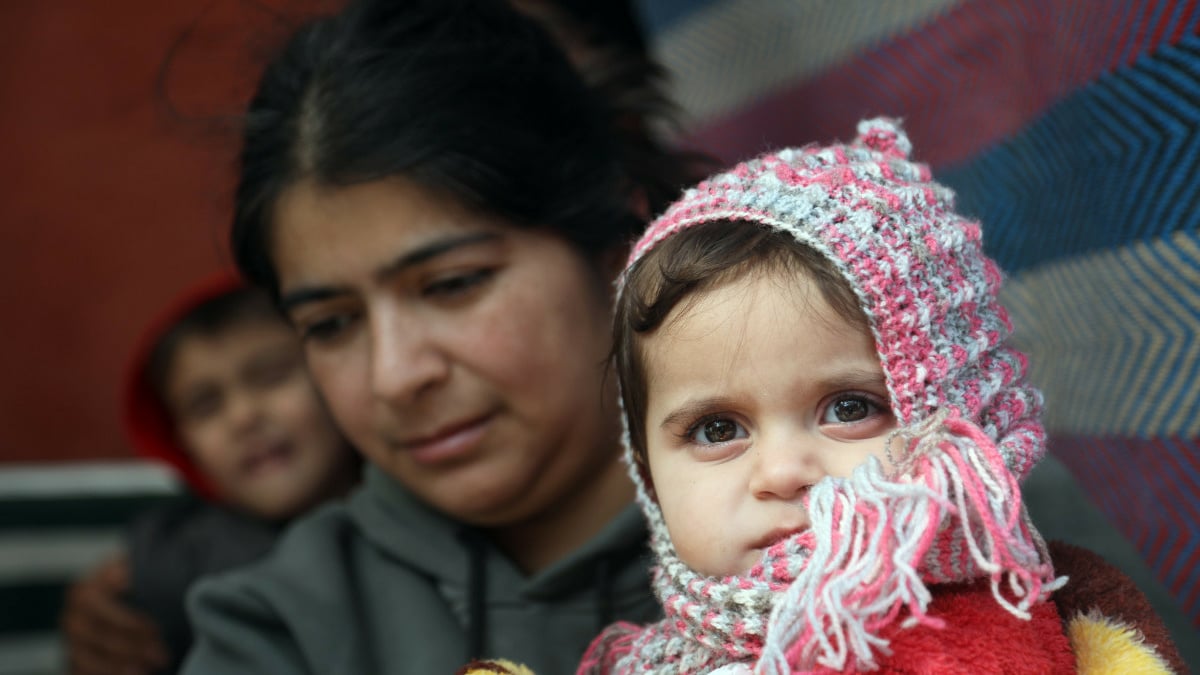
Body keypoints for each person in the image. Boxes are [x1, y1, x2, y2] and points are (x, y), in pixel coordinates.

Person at [178, 0, 699, 672]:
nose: (394, 376)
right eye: (331, 323)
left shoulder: (815, 549)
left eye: (452, 283)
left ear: (619, 247)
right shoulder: (276, 630)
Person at [577, 119, 1185, 673]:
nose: (784, 472)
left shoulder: (1030, 625)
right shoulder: (634, 663)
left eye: (848, 409)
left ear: (961, 420)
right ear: (648, 472)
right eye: (717, 430)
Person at [61, 273, 359, 675]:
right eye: (205, 406)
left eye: (271, 377)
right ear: (182, 443)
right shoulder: (167, 563)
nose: (243, 417)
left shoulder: (421, 516)